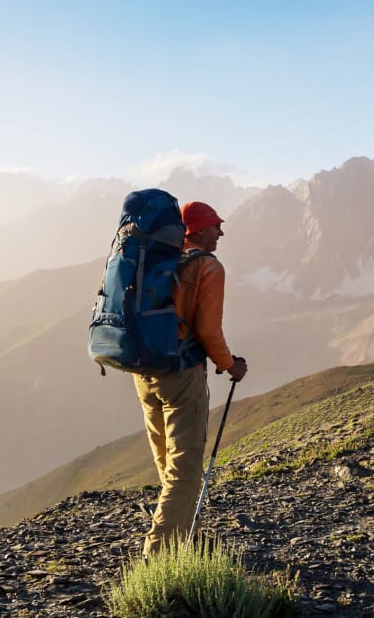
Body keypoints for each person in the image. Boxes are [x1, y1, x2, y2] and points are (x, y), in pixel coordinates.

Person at [132, 200, 247, 555]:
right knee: (185, 470)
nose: (221, 232)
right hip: (182, 376)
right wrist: (230, 365)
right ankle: (159, 555)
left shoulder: (156, 261)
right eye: (215, 226)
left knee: (167, 464)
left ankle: (185, 536)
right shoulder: (207, 267)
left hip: (143, 373)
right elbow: (208, 332)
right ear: (196, 229)